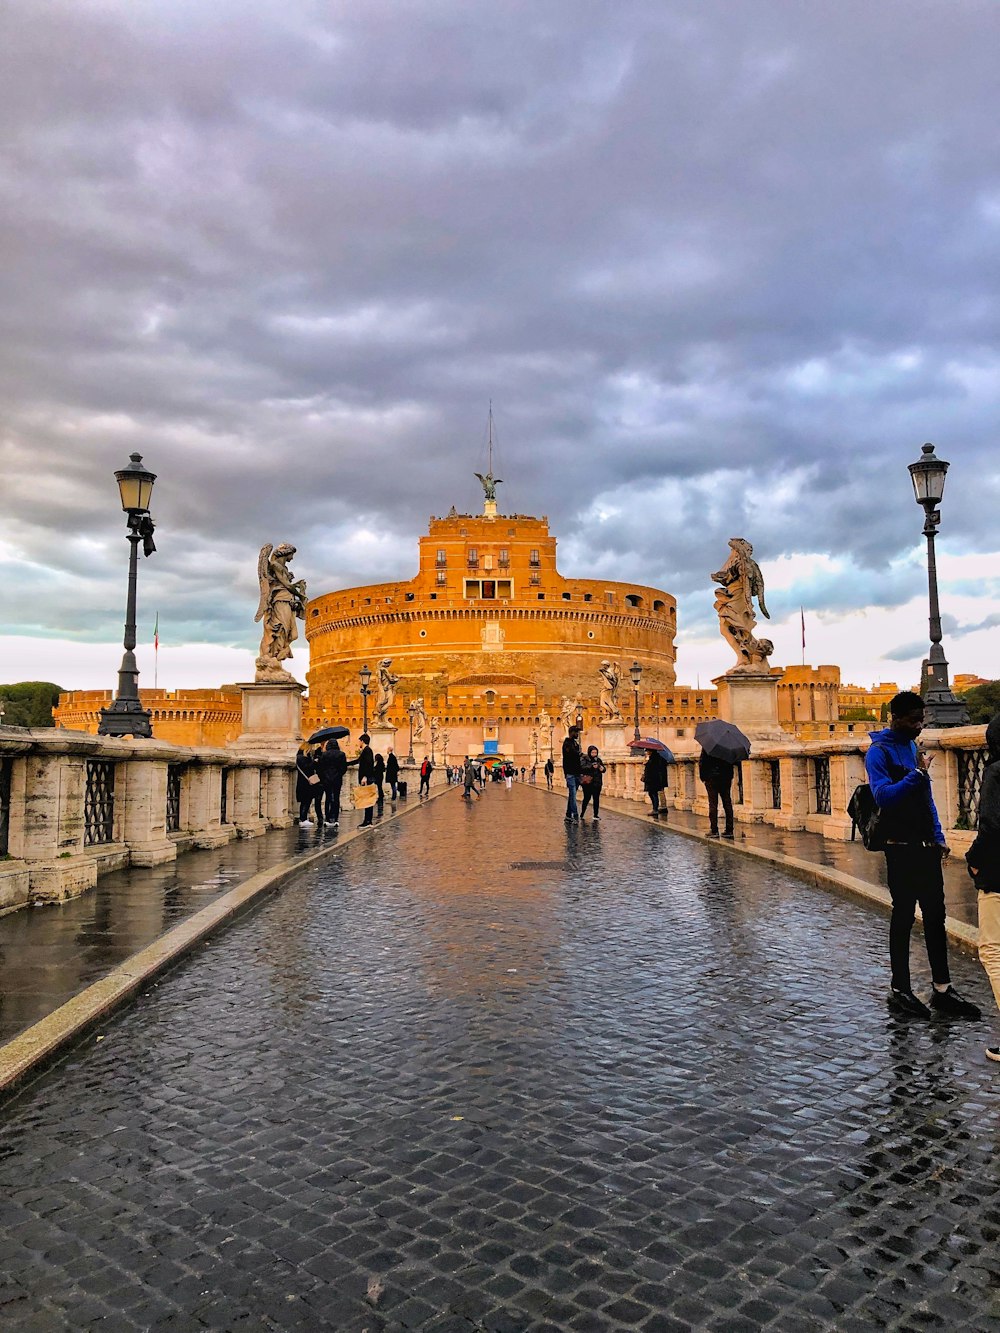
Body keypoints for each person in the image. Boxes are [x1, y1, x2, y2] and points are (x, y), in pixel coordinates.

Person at [865, 691, 980, 1020]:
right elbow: (884, 796)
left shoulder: (913, 747)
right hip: (899, 848)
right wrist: (917, 774)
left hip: (925, 847)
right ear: (896, 718)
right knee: (902, 916)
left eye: (921, 719)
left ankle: (942, 988)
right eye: (913, 720)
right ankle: (900, 988)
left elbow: (926, 798)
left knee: (935, 916)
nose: (919, 726)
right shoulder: (879, 752)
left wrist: (939, 834)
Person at [967, 714, 1000, 1060]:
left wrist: (973, 857)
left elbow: (991, 823)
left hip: (997, 872)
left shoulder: (995, 770)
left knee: (992, 949)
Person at [699, 750, 735, 839]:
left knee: (713, 804)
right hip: (725, 778)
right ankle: (729, 830)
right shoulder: (728, 748)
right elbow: (732, 763)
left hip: (711, 778)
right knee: (727, 803)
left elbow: (702, 763)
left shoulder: (709, 747)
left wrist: (703, 777)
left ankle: (714, 830)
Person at [316, 738, 347, 829]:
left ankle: (328, 818)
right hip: (337, 779)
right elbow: (344, 768)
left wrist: (324, 776)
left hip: (327, 780)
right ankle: (335, 819)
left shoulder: (324, 755)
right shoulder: (341, 754)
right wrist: (339, 774)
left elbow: (320, 768)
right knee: (336, 798)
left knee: (328, 798)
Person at [295, 744, 323, 826]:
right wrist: (314, 762)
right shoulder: (301, 758)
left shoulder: (304, 757)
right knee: (305, 801)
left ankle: (304, 818)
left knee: (307, 800)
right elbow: (307, 767)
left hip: (306, 783)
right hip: (304, 783)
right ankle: (302, 819)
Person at [580, 745, 607, 821]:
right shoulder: (585, 759)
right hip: (588, 783)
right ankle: (582, 813)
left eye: (595, 752)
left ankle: (596, 815)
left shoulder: (598, 760)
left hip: (597, 782)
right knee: (586, 798)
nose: (594, 754)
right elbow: (582, 768)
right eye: (593, 752)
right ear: (589, 752)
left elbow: (604, 769)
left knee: (596, 799)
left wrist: (602, 768)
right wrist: (591, 766)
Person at [356, 733, 376, 828]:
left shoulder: (367, 750)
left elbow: (369, 764)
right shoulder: (366, 750)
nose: (359, 742)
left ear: (362, 741)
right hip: (367, 778)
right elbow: (358, 760)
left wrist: (365, 776)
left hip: (366, 779)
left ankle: (367, 821)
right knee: (367, 799)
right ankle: (368, 820)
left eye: (359, 741)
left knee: (367, 800)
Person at [562, 726, 582, 822]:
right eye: (576, 732)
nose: (578, 734)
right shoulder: (567, 744)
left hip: (577, 773)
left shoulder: (575, 743)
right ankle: (575, 815)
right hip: (570, 773)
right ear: (572, 732)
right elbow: (572, 755)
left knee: (572, 795)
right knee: (573, 795)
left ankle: (568, 815)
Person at [643, 750, 668, 819]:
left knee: (653, 794)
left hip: (653, 779)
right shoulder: (654, 757)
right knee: (652, 793)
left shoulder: (655, 758)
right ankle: (656, 808)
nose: (646, 752)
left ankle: (655, 809)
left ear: (651, 751)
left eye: (647, 750)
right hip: (653, 779)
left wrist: (647, 763)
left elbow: (653, 768)